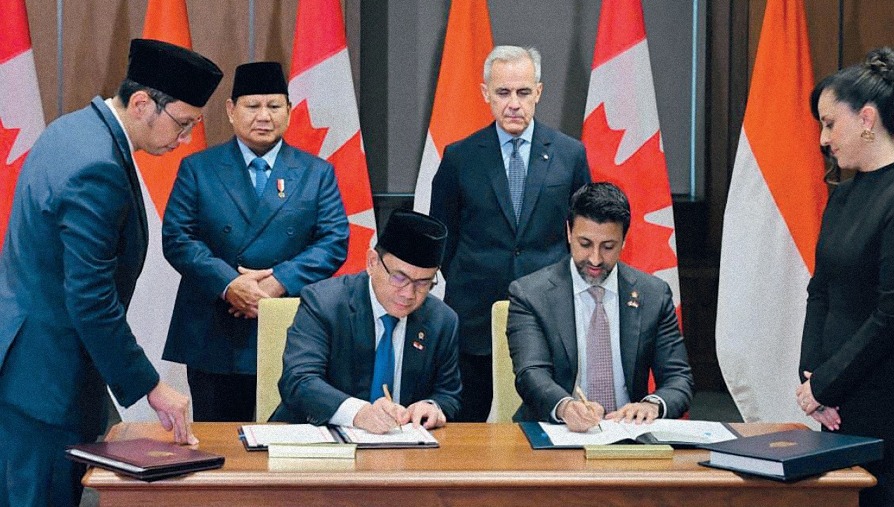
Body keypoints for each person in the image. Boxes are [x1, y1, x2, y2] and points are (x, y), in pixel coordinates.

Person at [0, 39, 222, 505]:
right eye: (182, 123)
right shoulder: (97, 165)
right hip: (48, 379)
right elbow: (91, 298)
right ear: (142, 103)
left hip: (29, 365)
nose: (184, 139)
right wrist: (152, 386)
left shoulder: (72, 129)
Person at [162, 61, 349, 422]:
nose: (264, 116)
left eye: (274, 106)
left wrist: (278, 281)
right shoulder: (198, 168)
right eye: (252, 106)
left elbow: (334, 240)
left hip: (288, 322)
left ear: (289, 111)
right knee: (219, 440)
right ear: (231, 110)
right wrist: (230, 284)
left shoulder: (316, 172)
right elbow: (178, 238)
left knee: (287, 437)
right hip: (215, 327)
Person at [429, 45, 591, 422]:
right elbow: (443, 237)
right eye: (503, 92)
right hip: (474, 316)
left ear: (539, 92)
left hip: (548, 313)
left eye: (523, 92)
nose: (513, 104)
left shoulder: (569, 154)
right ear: (486, 93)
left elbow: (584, 234)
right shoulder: (459, 156)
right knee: (464, 427)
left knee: (548, 421)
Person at [798, 47, 894, 507]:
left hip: (883, 400)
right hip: (835, 404)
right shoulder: (841, 194)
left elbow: (890, 315)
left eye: (829, 123)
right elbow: (819, 291)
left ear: (867, 118)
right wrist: (811, 380)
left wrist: (825, 385)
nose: (823, 139)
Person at [507, 182, 693, 432]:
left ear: (624, 240)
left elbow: (678, 378)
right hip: (557, 430)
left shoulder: (653, 294)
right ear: (569, 232)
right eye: (585, 244)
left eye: (608, 247)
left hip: (628, 432)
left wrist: (652, 405)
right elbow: (531, 373)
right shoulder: (531, 294)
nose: (595, 259)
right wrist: (565, 407)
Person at [270, 209, 461, 434]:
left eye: (423, 283)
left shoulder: (442, 320)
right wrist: (358, 413)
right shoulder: (324, 303)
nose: (409, 294)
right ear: (372, 262)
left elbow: (449, 394)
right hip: (318, 438)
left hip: (400, 445)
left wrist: (431, 406)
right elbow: (299, 380)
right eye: (399, 278)